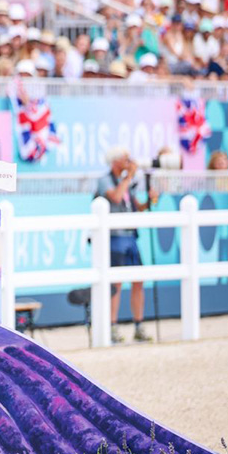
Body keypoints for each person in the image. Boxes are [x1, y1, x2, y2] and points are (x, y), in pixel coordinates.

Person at [95, 146, 157, 343]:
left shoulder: (127, 182)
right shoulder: (105, 180)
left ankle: (139, 324)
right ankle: (112, 326)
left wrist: (150, 200)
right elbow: (115, 196)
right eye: (125, 158)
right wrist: (129, 177)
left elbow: (135, 206)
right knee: (116, 283)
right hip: (115, 238)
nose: (129, 162)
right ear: (114, 161)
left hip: (131, 237)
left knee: (138, 280)